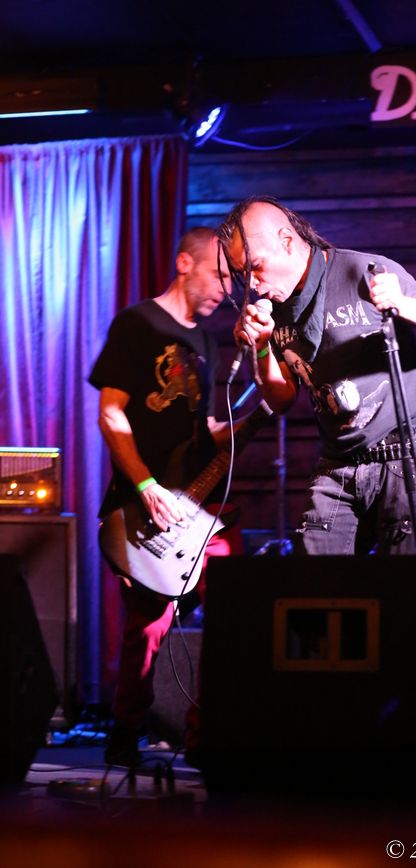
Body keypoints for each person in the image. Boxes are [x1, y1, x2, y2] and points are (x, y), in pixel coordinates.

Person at [219, 196, 416, 557]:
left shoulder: (359, 269)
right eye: (242, 274)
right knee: (317, 579)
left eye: (256, 267)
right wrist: (261, 348)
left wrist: (402, 303)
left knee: (407, 585)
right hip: (339, 462)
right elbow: (281, 399)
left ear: (286, 241)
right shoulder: (275, 309)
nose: (253, 284)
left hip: (407, 454)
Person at [89, 226, 242, 768]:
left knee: (234, 610)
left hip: (200, 508)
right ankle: (126, 732)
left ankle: (205, 739)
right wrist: (146, 486)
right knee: (149, 626)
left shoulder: (208, 341)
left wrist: (250, 419)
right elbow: (111, 414)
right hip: (145, 506)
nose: (228, 287)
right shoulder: (137, 324)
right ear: (184, 263)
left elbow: (206, 428)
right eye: (220, 274)